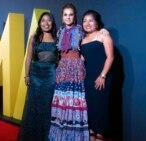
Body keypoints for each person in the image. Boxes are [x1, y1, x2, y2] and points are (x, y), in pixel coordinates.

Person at [48, 3, 89, 141]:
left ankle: (73, 135)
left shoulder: (80, 29)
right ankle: (60, 134)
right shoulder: (59, 31)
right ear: (62, 16)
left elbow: (91, 35)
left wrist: (103, 31)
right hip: (63, 67)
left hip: (75, 67)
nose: (68, 17)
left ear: (75, 16)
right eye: (65, 14)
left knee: (73, 100)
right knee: (62, 99)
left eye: (70, 14)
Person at [18, 12, 57, 141]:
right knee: (34, 105)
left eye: (49, 20)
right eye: (43, 21)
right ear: (40, 23)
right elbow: (29, 57)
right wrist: (26, 75)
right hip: (35, 74)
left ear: (52, 22)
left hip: (51, 74)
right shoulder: (34, 37)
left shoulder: (57, 37)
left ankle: (48, 136)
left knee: (48, 105)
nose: (46, 23)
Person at [81, 10, 114, 141]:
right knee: (90, 109)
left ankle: (99, 136)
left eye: (91, 20)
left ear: (97, 22)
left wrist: (103, 76)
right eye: (84, 21)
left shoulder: (103, 35)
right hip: (87, 79)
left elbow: (110, 57)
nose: (87, 23)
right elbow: (82, 60)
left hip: (101, 78)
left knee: (100, 108)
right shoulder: (82, 40)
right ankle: (91, 135)